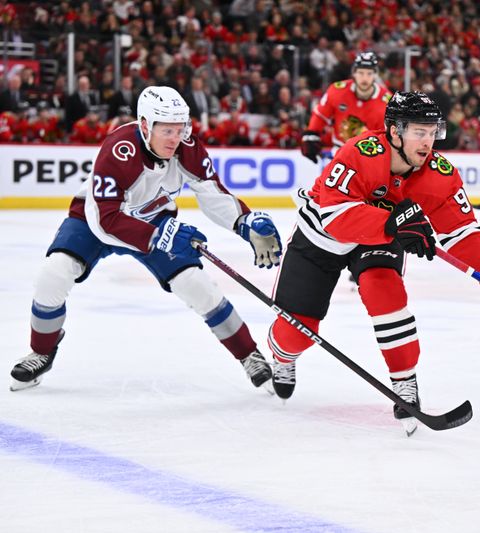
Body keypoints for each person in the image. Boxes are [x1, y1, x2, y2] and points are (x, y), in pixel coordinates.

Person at [267, 91, 480, 434]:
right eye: (419, 132)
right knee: (297, 334)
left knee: (385, 292)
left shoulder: (439, 173)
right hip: (323, 236)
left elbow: (462, 231)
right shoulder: (360, 153)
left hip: (381, 239)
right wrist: (392, 223)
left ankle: (404, 381)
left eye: (433, 131)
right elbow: (334, 216)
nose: (428, 141)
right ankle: (283, 359)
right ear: (394, 131)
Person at [10, 86, 283, 392]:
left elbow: (212, 192)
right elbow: (106, 219)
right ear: (144, 126)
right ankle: (41, 350)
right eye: (166, 130)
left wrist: (244, 222)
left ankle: (250, 355)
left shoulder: (187, 147)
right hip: (94, 219)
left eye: (180, 129)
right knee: (54, 273)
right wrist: (159, 235)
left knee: (196, 285)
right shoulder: (118, 149)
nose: (175, 138)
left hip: (154, 219)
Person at [300, 51, 393, 164]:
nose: (364, 78)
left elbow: (388, 136)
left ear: (375, 75)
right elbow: (320, 115)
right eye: (361, 73)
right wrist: (311, 135)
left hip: (370, 156)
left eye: (369, 73)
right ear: (354, 73)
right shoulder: (337, 91)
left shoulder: (387, 101)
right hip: (339, 151)